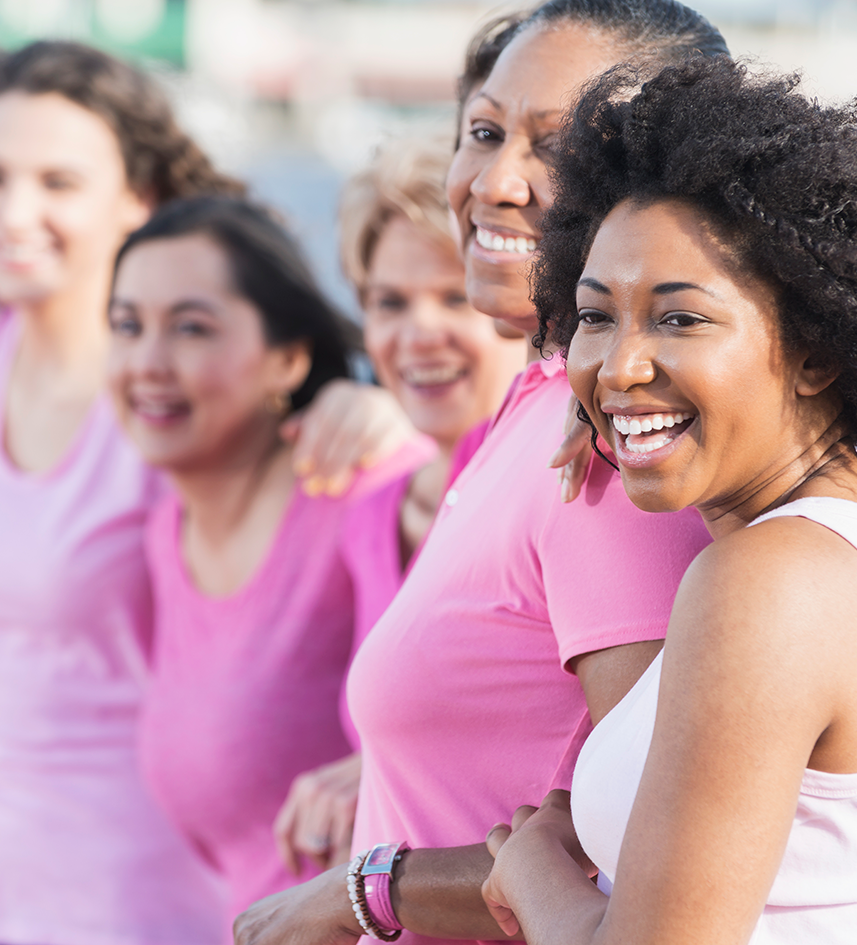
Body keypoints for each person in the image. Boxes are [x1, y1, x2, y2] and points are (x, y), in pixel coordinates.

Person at [0, 42, 413, 945]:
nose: (13, 212)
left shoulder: (183, 402)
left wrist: (367, 403)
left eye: (58, 181)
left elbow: (344, 516)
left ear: (137, 200)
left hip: (137, 900)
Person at [234, 4, 724, 944]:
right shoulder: (537, 402)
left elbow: (647, 850)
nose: (495, 182)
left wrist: (360, 892)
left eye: (557, 148)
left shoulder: (615, 458)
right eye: (484, 131)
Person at [481, 55, 857, 945]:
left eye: (679, 319)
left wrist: (529, 871)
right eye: (596, 317)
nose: (619, 364)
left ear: (815, 351)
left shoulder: (768, 580)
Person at [108, 196, 426, 942]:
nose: (148, 362)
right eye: (126, 325)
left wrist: (375, 764)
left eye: (191, 327)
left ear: (287, 357)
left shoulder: (364, 492)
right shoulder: (166, 528)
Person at [270, 137, 529, 878]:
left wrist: (374, 769)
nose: (418, 331)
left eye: (454, 296)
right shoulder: (369, 507)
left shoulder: (556, 496)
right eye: (389, 301)